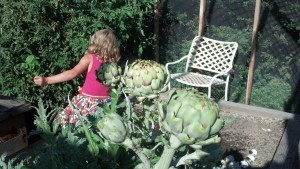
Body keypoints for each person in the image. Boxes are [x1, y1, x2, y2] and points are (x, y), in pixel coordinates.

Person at [34, 29, 121, 128]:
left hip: (88, 104)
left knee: (64, 125)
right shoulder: (113, 63)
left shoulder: (90, 58)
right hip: (108, 105)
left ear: (95, 42)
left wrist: (46, 80)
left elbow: (72, 73)